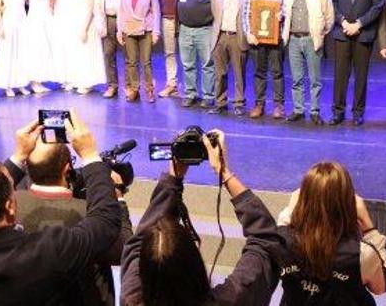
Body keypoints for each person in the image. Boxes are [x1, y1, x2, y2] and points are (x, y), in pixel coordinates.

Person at [0, 111, 122, 305]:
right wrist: (90, 155)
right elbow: (105, 221)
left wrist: (19, 156)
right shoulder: (46, 252)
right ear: (10, 207)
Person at [120, 130, 281, 305]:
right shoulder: (232, 299)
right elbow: (266, 240)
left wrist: (173, 178)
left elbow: (137, 245)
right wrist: (224, 171)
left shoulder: (131, 298)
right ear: (194, 264)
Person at [15, 142, 133, 306]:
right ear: (66, 169)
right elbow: (125, 252)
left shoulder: (8, 206)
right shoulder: (94, 217)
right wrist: (118, 198)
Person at [274, 161, 386, 305]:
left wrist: (293, 207)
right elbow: (381, 287)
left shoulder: (279, 241)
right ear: (348, 204)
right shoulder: (362, 254)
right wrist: (369, 228)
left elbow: (284, 223)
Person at [329, 0, 386, 126]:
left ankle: (357, 112)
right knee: (340, 75)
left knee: (361, 75)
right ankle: (338, 112)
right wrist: (344, 22)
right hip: (342, 32)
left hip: (363, 35)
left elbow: (377, 6)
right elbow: (333, 3)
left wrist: (359, 24)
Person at [282, 0, 334, 125]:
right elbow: (285, 11)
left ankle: (314, 111)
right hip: (294, 39)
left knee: (315, 79)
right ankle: (298, 109)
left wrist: (320, 33)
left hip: (312, 39)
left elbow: (329, 17)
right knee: (296, 78)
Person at [176, 0, 224, 108]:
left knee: (207, 64)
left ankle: (208, 95)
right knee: (187, 64)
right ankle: (190, 93)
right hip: (185, 28)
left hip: (205, 29)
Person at [243, 0, 288, 119]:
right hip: (257, 39)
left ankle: (279, 106)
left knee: (277, 72)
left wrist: (281, 15)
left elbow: (287, 8)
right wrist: (248, 33)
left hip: (275, 38)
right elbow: (247, 13)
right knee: (259, 72)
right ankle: (259, 104)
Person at [118, 0, 161, 103]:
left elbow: (156, 10)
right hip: (129, 29)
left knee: (146, 61)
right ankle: (134, 90)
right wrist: (119, 30)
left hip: (146, 29)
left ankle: (149, 90)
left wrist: (156, 31)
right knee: (131, 61)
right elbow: (121, 11)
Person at [208, 0, 249, 116]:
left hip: (238, 36)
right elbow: (214, 13)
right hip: (220, 36)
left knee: (239, 73)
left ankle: (239, 103)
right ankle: (220, 102)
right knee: (220, 73)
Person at [65, 0, 107, 94]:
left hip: (87, 23)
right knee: (77, 52)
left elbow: (90, 10)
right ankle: (77, 80)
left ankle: (88, 83)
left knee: (87, 53)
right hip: (74, 22)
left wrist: (84, 28)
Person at [94, 0, 130, 98]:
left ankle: (129, 87)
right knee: (108, 54)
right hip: (108, 19)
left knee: (129, 55)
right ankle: (112, 86)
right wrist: (100, 24)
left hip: (124, 20)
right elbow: (97, 4)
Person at [23, 0, 57, 94]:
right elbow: (23, 0)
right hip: (34, 21)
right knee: (35, 50)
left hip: (47, 20)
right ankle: (34, 82)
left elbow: (52, 3)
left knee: (44, 51)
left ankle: (40, 81)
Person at [53, 0, 77, 90]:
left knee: (72, 47)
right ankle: (64, 78)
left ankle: (73, 77)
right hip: (59, 15)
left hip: (72, 15)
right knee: (61, 47)